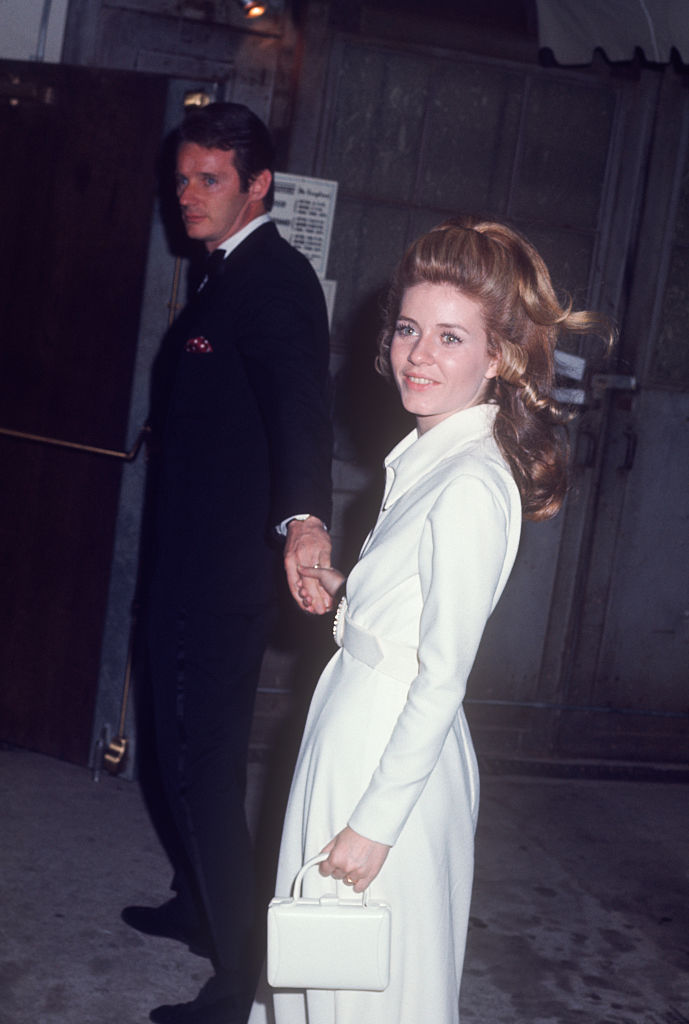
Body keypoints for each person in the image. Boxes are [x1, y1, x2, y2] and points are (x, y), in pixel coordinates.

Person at [248, 218, 613, 1024]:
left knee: (365, 992)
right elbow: (413, 616)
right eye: (410, 329)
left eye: (451, 337)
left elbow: (443, 672)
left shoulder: (472, 484)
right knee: (320, 978)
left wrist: (375, 825)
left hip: (389, 761)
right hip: (356, 729)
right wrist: (347, 592)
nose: (419, 354)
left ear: (499, 357)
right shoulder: (430, 455)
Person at [122, 102, 333, 1024]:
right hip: (184, 562)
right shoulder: (221, 277)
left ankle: (240, 975)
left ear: (258, 187)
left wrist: (304, 523)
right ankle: (199, 907)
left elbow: (301, 417)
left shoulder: (275, 282)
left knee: (201, 759)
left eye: (210, 180)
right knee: (167, 749)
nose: (188, 196)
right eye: (182, 177)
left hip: (222, 579)